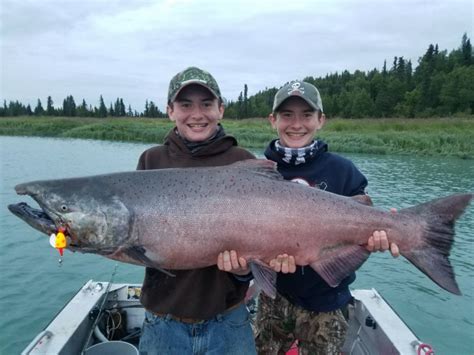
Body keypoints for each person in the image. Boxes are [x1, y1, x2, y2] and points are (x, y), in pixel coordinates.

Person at [249, 80, 399, 354]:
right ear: (273, 120)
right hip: (275, 298)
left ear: (321, 120)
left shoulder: (343, 170)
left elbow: (363, 216)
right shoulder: (257, 174)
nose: (297, 124)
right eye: (287, 115)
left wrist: (380, 234)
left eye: (307, 115)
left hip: (328, 301)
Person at [136, 66, 257, 355]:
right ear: (170, 111)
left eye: (206, 104)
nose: (197, 114)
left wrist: (244, 270)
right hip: (163, 322)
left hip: (229, 320)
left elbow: (262, 243)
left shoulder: (243, 161)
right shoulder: (151, 161)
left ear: (221, 110)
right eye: (185, 105)